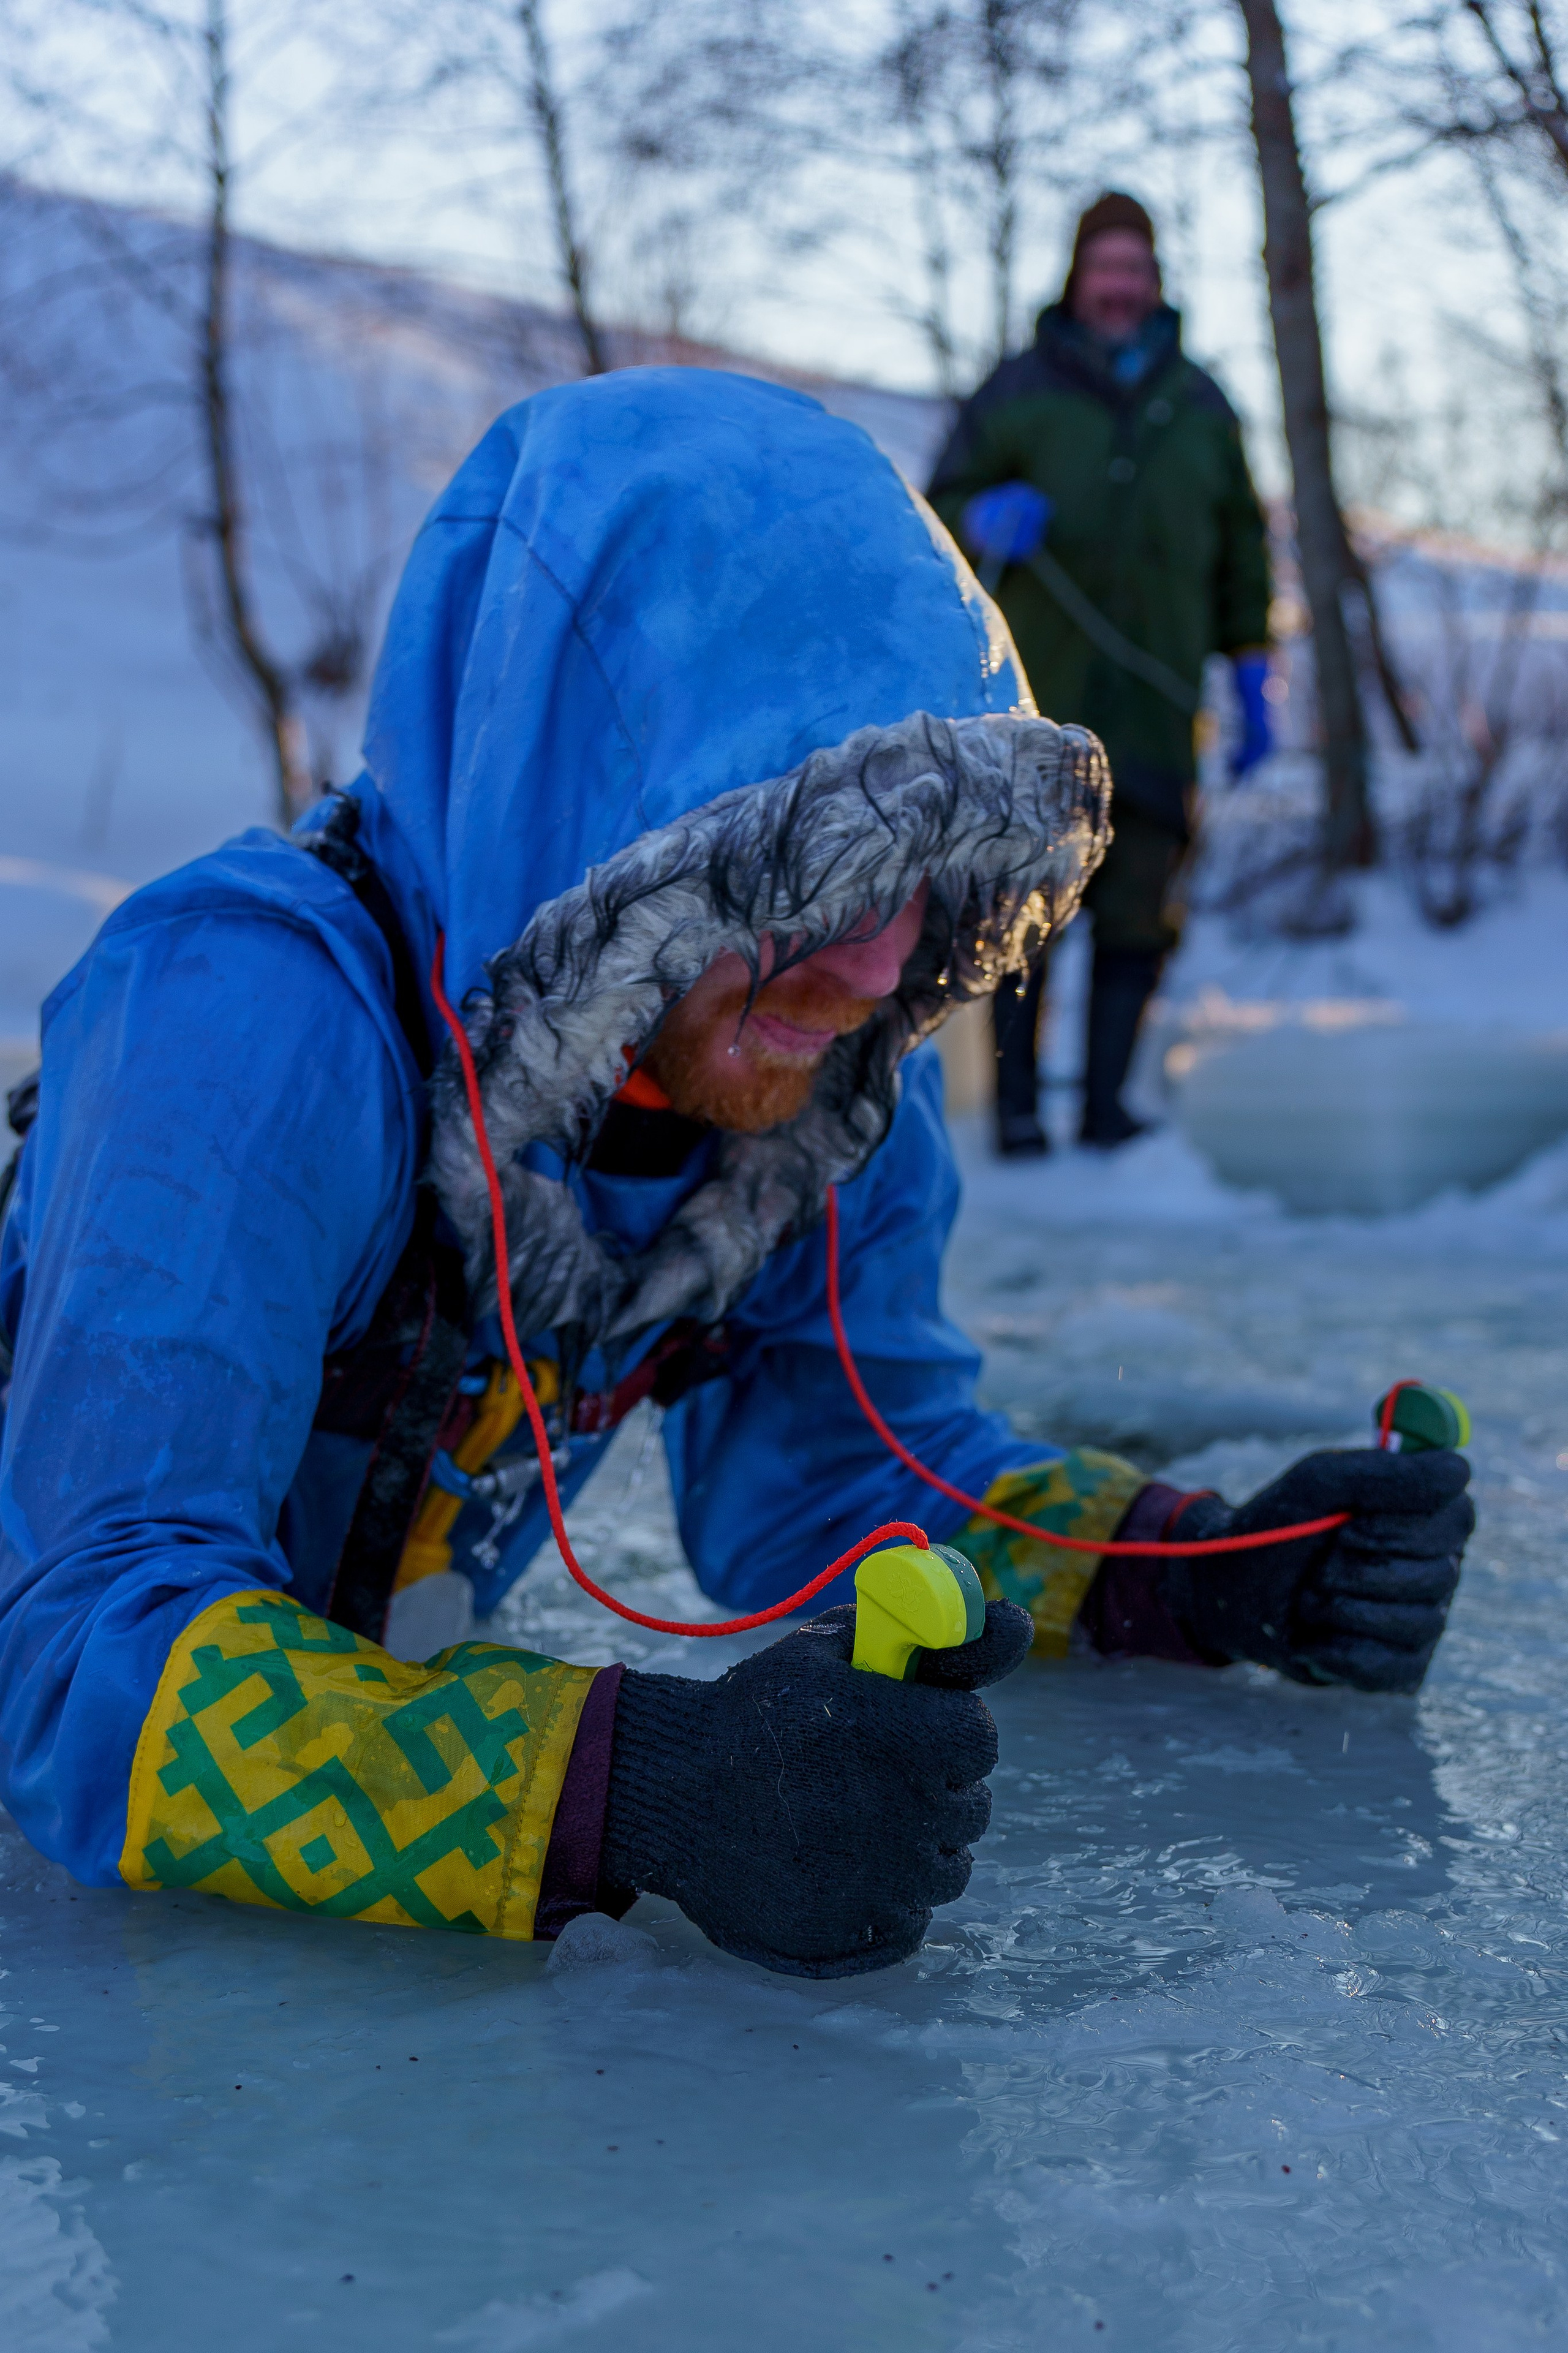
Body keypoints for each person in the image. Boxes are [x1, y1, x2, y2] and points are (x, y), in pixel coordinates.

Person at [0, 372, 1469, 1982]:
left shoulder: (812, 1101)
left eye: (921, 874)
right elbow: (81, 1650)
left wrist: (1194, 1567)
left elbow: (837, 1489)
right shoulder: (248, 1016)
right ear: (605, 829)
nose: (877, 961)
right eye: (789, 867)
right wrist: (626, 1792)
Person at [928, 191, 1275, 1154]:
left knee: (1138, 914)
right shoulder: (1016, 387)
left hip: (1159, 707)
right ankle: (1018, 1111)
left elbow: (1243, 549)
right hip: (1041, 708)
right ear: (1078, 278)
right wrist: (981, 511)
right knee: (1022, 918)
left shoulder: (1203, 405)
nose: (1119, 287)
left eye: (1135, 269)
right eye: (1104, 268)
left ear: (1154, 282)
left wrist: (1254, 671)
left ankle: (1107, 1110)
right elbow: (936, 506)